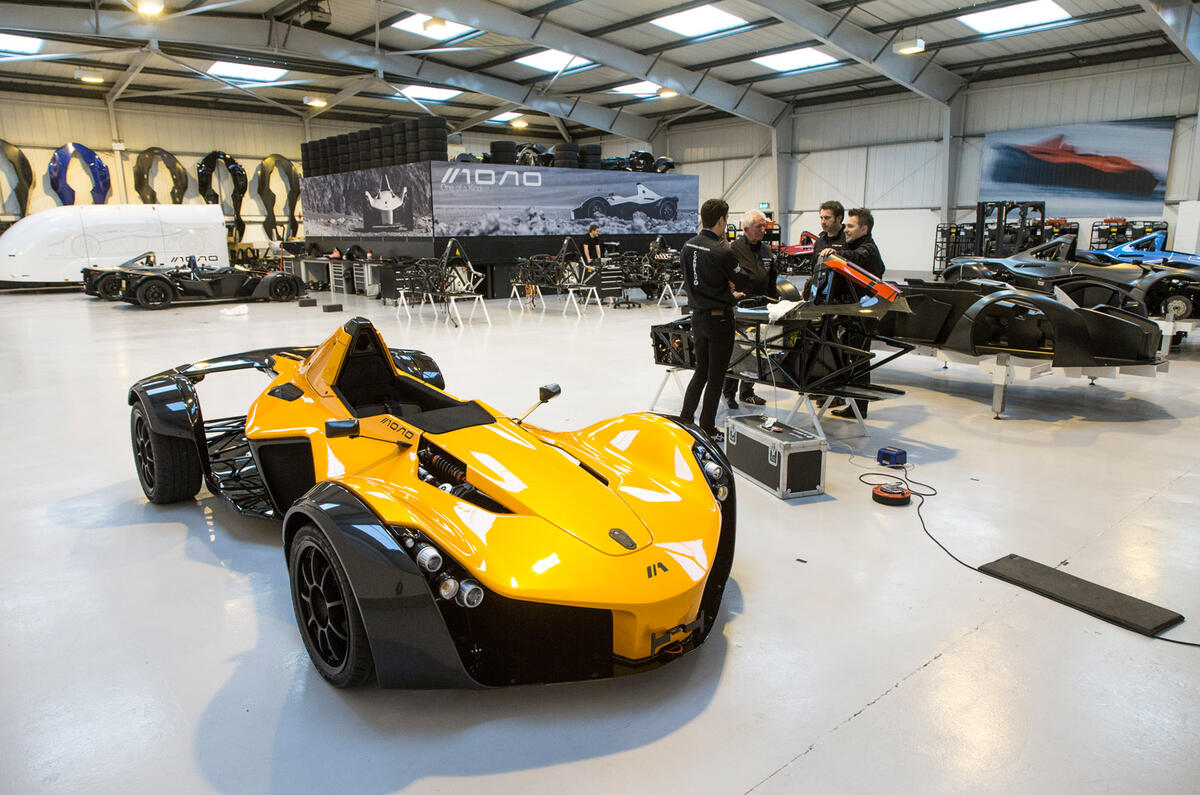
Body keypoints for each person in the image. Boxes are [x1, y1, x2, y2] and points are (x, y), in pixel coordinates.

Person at [679, 198, 750, 442]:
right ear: (721, 220)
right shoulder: (723, 251)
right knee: (716, 375)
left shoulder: (687, 247)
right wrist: (733, 293)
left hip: (697, 317)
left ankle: (686, 419)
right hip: (720, 320)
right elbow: (742, 280)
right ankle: (707, 427)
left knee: (701, 371)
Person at [816, 208, 886, 418]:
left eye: (851, 226)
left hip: (863, 314)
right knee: (849, 359)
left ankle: (859, 408)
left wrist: (835, 252)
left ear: (864, 228)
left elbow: (857, 257)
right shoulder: (855, 244)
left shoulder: (867, 249)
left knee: (859, 361)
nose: (846, 229)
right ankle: (851, 403)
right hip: (852, 311)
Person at [723, 209, 778, 408]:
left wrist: (775, 302)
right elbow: (726, 276)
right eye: (758, 226)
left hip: (762, 306)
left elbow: (772, 277)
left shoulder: (766, 250)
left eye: (764, 226)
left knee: (756, 351)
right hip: (740, 308)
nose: (763, 230)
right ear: (746, 229)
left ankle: (747, 391)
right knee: (737, 350)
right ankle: (728, 393)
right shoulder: (734, 249)